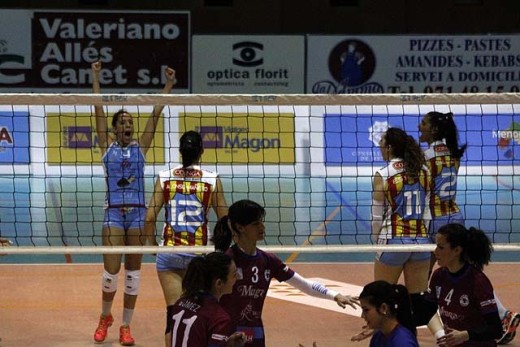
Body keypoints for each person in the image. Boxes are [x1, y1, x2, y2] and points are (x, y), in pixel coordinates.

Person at [91, 61, 176, 345]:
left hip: (138, 216)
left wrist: (168, 86)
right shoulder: (106, 147)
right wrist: (95, 77)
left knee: (133, 274)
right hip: (113, 215)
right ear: (114, 129)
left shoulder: (141, 147)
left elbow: (156, 112)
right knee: (110, 274)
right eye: (123, 123)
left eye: (130, 123)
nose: (128, 125)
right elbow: (98, 110)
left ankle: (125, 326)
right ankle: (105, 316)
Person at [419, 112, 520, 344]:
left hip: (436, 219)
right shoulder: (454, 154)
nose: (419, 126)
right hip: (455, 216)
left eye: (424, 123)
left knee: (424, 278)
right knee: (468, 274)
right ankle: (503, 314)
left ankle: (414, 323)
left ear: (434, 130)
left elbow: (425, 192)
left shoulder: (426, 157)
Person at [212, 199, 359, 347]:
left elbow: (305, 285)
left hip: (255, 333)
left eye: (261, 222)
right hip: (225, 334)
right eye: (255, 224)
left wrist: (334, 295)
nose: (262, 227)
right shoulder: (226, 260)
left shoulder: (268, 261)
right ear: (240, 227)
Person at [144, 130, 228, 346]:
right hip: (199, 257)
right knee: (200, 315)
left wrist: (153, 245)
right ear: (202, 151)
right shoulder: (211, 179)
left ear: (180, 152)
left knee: (174, 316)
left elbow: (149, 217)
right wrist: (219, 253)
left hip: (169, 254)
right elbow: (224, 220)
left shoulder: (165, 177)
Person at [411, 223, 503, 346]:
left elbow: (496, 330)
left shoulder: (477, 281)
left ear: (457, 250)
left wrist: (465, 335)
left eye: (440, 247)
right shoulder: (439, 276)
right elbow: (426, 312)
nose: (435, 251)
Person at [372, 127, 432, 295]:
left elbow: (376, 217)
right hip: (421, 241)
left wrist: (376, 241)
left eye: (381, 142)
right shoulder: (424, 171)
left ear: (389, 147)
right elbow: (427, 212)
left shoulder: (383, 174)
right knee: (419, 302)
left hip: (393, 241)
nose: (379, 146)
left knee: (381, 297)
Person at [167, 251, 246, 347]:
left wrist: (225, 343)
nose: (237, 278)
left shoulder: (180, 303)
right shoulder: (219, 318)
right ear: (219, 283)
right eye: (234, 275)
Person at [358, 280, 419, 347]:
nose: (363, 316)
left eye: (366, 310)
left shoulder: (403, 342)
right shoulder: (378, 336)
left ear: (383, 308)